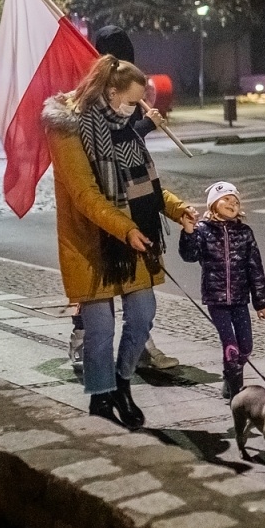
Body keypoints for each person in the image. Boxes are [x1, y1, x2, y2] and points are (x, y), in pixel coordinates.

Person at [43, 55, 197, 428]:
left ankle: (123, 383)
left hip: (130, 240)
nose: (138, 110)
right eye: (133, 102)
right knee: (100, 329)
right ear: (111, 92)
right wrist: (125, 228)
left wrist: (177, 210)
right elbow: (84, 195)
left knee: (142, 316)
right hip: (91, 244)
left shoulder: (123, 125)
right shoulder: (67, 129)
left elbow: (145, 187)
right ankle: (100, 395)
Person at [69, 25, 179, 374]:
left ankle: (138, 350)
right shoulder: (84, 117)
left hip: (135, 217)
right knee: (98, 300)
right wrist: (143, 127)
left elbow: (133, 161)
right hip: (101, 224)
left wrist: (174, 209)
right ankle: (83, 346)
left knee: (140, 303)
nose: (134, 107)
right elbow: (108, 150)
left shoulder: (124, 105)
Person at [179, 181, 265, 400]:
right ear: (212, 205)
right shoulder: (203, 231)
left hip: (240, 300)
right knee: (231, 347)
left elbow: (255, 269)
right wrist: (189, 231)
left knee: (245, 347)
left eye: (235, 200)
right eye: (226, 199)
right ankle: (236, 393)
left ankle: (229, 375)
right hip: (216, 299)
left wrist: (261, 303)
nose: (231, 203)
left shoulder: (245, 233)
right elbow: (189, 255)